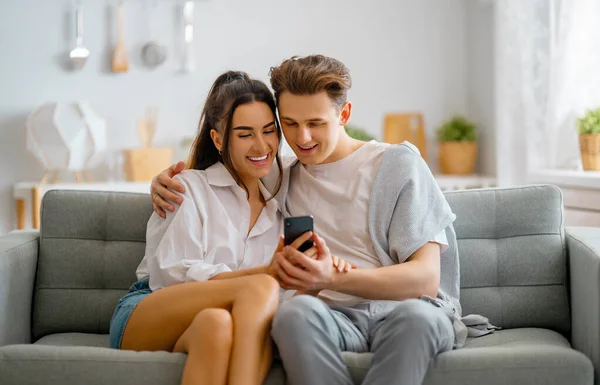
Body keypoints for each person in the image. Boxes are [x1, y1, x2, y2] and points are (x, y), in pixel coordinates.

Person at [151, 55, 494, 385]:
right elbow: (231, 164)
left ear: (344, 113)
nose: (303, 139)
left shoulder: (396, 166)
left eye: (316, 123)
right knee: (292, 316)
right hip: (330, 319)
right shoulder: (283, 176)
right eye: (290, 124)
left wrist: (333, 278)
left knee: (415, 318)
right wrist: (164, 181)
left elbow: (424, 279)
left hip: (406, 310)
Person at [109, 70, 353, 385]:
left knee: (217, 324)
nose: (261, 145)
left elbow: (268, 308)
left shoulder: (281, 205)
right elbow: (171, 275)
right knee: (262, 285)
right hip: (150, 309)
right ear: (218, 139)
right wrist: (263, 275)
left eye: (269, 131)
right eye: (245, 134)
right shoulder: (188, 188)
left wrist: (314, 281)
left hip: (212, 320)